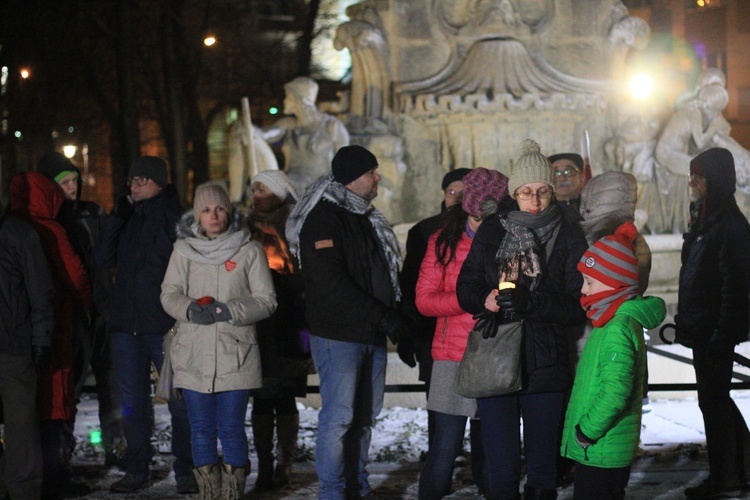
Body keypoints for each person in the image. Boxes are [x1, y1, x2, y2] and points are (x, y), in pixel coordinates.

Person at [456, 139, 588, 499]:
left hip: (545, 360)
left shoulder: (569, 232)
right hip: (496, 354)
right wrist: (484, 298)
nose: (536, 201)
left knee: (543, 469)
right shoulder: (493, 229)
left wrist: (532, 302)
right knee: (501, 467)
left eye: (543, 191)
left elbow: (577, 303)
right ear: (514, 192)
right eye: (527, 192)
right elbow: (465, 286)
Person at [285, 144, 410, 499]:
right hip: (340, 335)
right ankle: (332, 491)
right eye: (372, 172)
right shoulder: (324, 219)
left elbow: (379, 276)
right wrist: (384, 316)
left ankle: (357, 485)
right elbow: (332, 283)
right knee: (339, 418)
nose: (378, 178)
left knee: (364, 418)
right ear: (354, 178)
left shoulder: (365, 217)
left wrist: (394, 317)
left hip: (371, 333)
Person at [160, 183, 277, 499]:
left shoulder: (248, 250)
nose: (214, 215)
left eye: (220, 208)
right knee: (201, 430)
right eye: (207, 209)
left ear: (230, 210)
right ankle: (210, 493)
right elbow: (168, 294)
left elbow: (266, 300)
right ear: (197, 214)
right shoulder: (183, 250)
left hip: (235, 354)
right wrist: (188, 309)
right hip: (193, 353)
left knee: (231, 428)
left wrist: (230, 310)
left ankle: (232, 494)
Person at [93, 156, 197, 494]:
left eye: (141, 179)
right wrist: (116, 217)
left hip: (164, 325)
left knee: (179, 400)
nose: (134, 185)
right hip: (126, 325)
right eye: (131, 180)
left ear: (158, 182)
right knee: (132, 402)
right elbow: (102, 258)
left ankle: (187, 469)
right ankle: (137, 468)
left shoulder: (175, 217)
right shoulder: (127, 217)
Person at [416, 167, 509, 499]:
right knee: (444, 447)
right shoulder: (442, 242)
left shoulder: (509, 239)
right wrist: (471, 300)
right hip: (452, 357)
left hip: (496, 355)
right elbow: (424, 301)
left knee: (493, 451)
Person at [561, 222, 666, 499]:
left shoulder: (616, 329)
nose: (583, 290)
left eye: (589, 282)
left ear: (614, 283)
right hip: (600, 446)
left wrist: (586, 431)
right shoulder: (608, 323)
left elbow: (615, 393)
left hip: (602, 446)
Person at [36, 152, 124, 468]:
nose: (72, 186)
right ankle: (61, 457)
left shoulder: (91, 214)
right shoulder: (45, 222)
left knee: (113, 385)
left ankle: (119, 447)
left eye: (74, 180)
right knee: (67, 391)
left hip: (102, 311)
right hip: (71, 318)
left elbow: (110, 253)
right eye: (65, 182)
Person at [10, 171, 93, 499]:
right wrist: (85, 306)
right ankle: (55, 475)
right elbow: (76, 276)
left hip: (18, 333)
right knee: (57, 399)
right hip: (55, 326)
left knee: (28, 406)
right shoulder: (50, 229)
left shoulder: (10, 230)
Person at [673, 148, 750, 499]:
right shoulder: (706, 218)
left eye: (698, 176)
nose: (692, 182)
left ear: (715, 180)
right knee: (715, 400)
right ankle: (737, 469)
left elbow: (735, 284)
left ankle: (727, 476)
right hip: (705, 328)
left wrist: (722, 332)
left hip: (714, 332)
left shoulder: (728, 223)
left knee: (714, 401)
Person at [399, 167, 472, 452]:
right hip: (434, 333)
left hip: (472, 333)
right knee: (439, 404)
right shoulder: (425, 230)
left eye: (463, 192)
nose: (456, 197)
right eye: (451, 191)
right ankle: (440, 454)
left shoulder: (485, 228)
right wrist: (409, 333)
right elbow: (410, 284)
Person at [248, 170, 312, 490]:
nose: (257, 194)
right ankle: (263, 464)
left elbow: (305, 270)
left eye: (263, 188)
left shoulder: (294, 224)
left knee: (285, 396)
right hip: (257, 325)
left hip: (289, 320)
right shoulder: (245, 228)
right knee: (260, 398)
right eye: (254, 188)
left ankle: (284, 462)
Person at [0, 201, 55, 500]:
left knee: (21, 428)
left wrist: (41, 340)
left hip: (14, 347)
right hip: (15, 344)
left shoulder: (19, 234)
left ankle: (24, 493)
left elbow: (40, 291)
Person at [263, 76, 350, 193]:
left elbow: (346, 162)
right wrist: (255, 134)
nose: (284, 101)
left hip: (320, 187)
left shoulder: (332, 125)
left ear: (299, 100)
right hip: (292, 181)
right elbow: (268, 134)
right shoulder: (289, 124)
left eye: (288, 97)